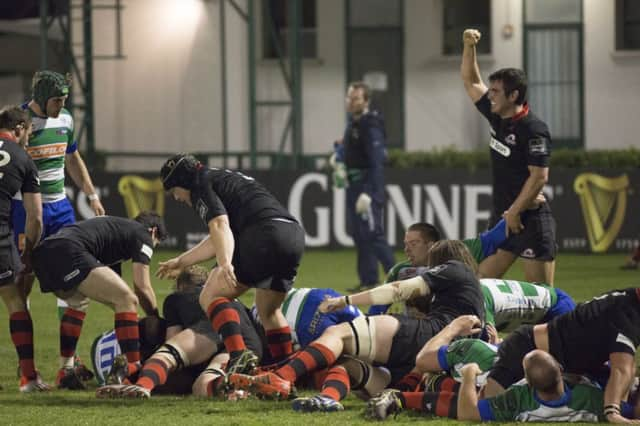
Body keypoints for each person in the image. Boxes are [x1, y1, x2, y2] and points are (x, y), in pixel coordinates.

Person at [227, 240, 486, 408]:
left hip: (427, 339)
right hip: (425, 366)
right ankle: (328, 400)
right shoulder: (472, 296)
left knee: (338, 334)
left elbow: (399, 290)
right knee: (345, 362)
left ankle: (282, 377)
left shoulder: (454, 268)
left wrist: (345, 300)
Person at [157, 153, 305, 373]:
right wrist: (181, 261)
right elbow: (219, 236)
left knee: (210, 296)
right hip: (292, 236)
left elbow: (218, 225)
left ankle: (239, 357)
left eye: (174, 191)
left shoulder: (200, 183)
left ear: (182, 182)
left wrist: (225, 263)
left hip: (263, 235)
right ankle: (289, 371)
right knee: (268, 311)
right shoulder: (222, 178)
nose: (176, 198)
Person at [12, 71, 106, 387]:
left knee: (73, 283)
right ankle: (26, 367)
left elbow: (73, 158)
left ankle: (68, 361)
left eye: (64, 99)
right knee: (21, 285)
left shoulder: (64, 119)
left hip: (61, 210)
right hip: (26, 210)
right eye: (57, 99)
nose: (62, 105)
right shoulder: (21, 123)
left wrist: (91, 194)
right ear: (41, 97)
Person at [461, 29, 556, 285]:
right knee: (477, 287)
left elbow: (539, 176)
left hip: (530, 221)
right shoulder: (497, 115)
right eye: (490, 91)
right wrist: (469, 46)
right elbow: (470, 81)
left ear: (513, 96)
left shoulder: (534, 129)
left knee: (541, 301)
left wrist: (515, 211)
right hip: (504, 218)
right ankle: (484, 327)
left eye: (495, 92)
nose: (489, 96)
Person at [31, 212, 166, 387]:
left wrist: (130, 319)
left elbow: (114, 296)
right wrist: (154, 318)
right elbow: (142, 287)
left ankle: (66, 371)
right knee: (127, 298)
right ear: (154, 232)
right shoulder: (143, 233)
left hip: (45, 254)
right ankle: (132, 369)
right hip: (68, 250)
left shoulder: (116, 234)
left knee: (77, 303)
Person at [95, 265, 265, 399]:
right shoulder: (237, 301)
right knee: (203, 384)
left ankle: (142, 386)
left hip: (212, 328)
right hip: (249, 345)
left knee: (166, 355)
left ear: (181, 285)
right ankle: (238, 390)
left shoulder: (177, 298)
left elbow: (173, 339)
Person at [483, 288, 640, 424]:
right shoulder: (627, 316)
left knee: (629, 402)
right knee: (485, 405)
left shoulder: (627, 298)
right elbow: (621, 369)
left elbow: (626, 366)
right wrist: (612, 412)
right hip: (528, 349)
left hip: (576, 364)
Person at [367, 350, 640, 422]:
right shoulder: (591, 400)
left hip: (482, 376)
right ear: (560, 369)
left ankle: (401, 396)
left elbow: (467, 411)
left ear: (527, 383)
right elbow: (627, 409)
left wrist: (472, 374)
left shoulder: (518, 400)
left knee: (473, 389)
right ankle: (428, 384)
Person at [0, 105, 48, 392]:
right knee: (15, 300)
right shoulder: (23, 159)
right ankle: (28, 378)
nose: (28, 138)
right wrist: (28, 252)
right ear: (18, 128)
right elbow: (36, 217)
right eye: (28, 132)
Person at [339, 81, 395, 291]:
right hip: (354, 186)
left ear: (366, 101)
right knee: (360, 234)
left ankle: (400, 280)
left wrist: (370, 192)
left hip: (366, 186)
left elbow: (376, 160)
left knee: (373, 234)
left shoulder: (370, 123)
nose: (351, 102)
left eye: (355, 98)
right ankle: (369, 281)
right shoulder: (354, 123)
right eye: (349, 97)